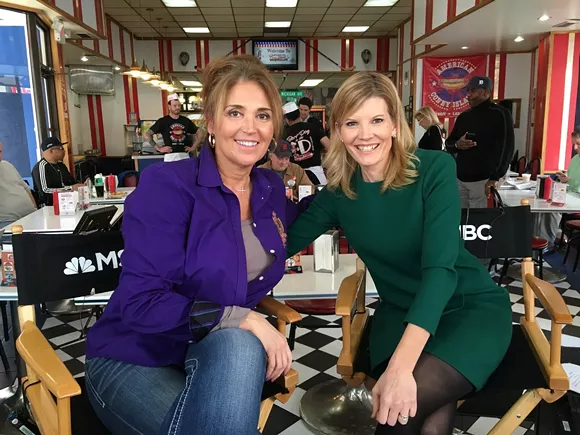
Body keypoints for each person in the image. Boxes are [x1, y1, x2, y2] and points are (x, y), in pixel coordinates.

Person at [286, 72, 512, 435]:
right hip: (400, 315)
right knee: (412, 418)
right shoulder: (339, 192)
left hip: (466, 309)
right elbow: (281, 245)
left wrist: (401, 367)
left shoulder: (434, 169)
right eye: (352, 123)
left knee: (394, 412)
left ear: (394, 124)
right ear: (339, 130)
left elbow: (440, 270)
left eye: (377, 120)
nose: (365, 134)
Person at [85, 54, 298, 435]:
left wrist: (367, 167)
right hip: (135, 356)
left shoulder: (270, 190)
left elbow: (319, 212)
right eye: (235, 113)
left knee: (239, 346)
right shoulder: (168, 187)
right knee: (240, 346)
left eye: (263, 115)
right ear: (212, 123)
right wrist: (246, 318)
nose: (251, 127)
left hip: (210, 351)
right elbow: (140, 302)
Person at [446, 76, 514, 208]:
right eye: (468, 92)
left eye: (473, 91)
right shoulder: (464, 116)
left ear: (486, 92)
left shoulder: (500, 114)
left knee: (479, 221)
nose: (469, 95)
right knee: (460, 219)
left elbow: (507, 147)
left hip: (484, 180)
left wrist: (495, 177)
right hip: (460, 178)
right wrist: (457, 145)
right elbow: (449, 143)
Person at [283, 101, 330, 185]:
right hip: (316, 173)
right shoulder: (312, 127)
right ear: (299, 114)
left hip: (295, 174)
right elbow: (329, 146)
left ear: (287, 119)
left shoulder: (284, 134)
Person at [31, 137, 84, 206]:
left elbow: (72, 182)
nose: (64, 151)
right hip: (49, 206)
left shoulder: (61, 165)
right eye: (60, 148)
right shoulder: (41, 167)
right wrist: (70, 189)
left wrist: (81, 185)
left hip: (67, 203)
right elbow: (45, 190)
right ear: (51, 151)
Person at [0, 141, 36, 231]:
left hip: (31, 215)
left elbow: (26, 189)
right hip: (8, 222)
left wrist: (35, 209)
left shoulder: (7, 165)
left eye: (0, 152)